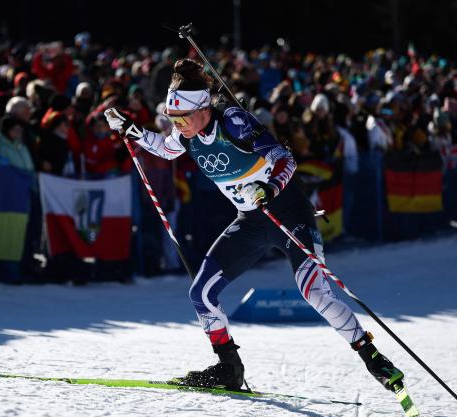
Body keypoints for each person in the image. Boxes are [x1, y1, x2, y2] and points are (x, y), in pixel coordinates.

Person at [104, 58, 405, 392]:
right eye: (174, 119)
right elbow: (164, 149)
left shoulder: (232, 121)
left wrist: (269, 188)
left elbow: (284, 158)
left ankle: (373, 358)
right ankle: (229, 368)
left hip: (289, 214)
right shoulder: (186, 133)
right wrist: (129, 129)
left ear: (204, 108)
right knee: (201, 293)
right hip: (250, 222)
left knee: (315, 293)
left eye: (183, 117)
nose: (179, 125)